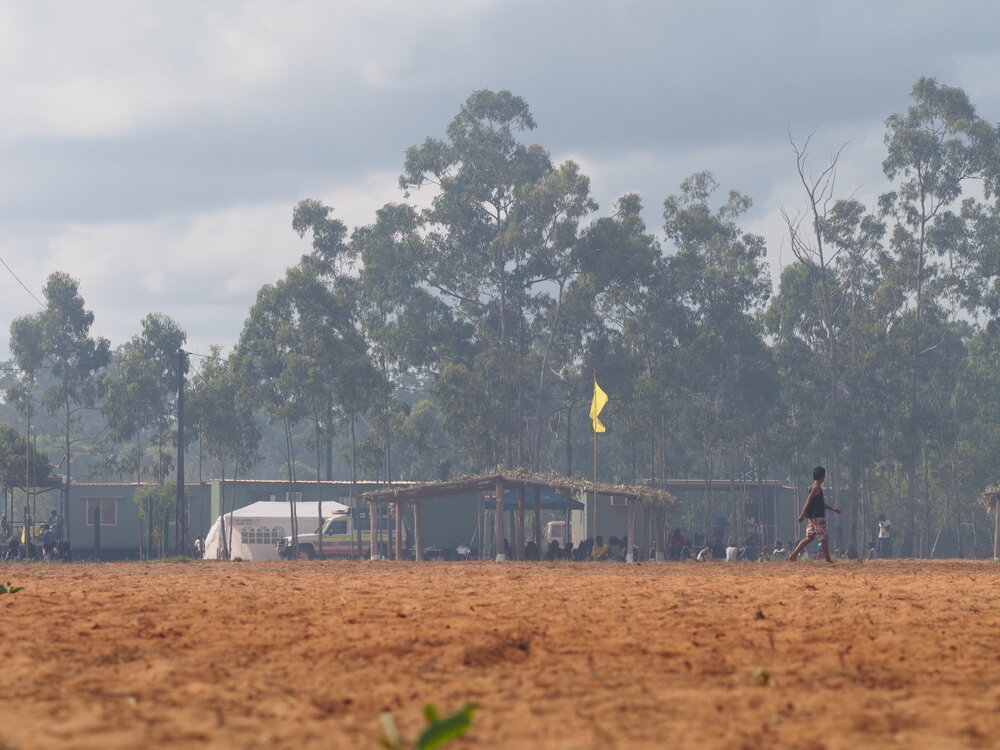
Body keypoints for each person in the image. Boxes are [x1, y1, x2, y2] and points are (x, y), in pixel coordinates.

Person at [789, 466, 841, 563]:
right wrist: (801, 515)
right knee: (824, 538)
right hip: (818, 517)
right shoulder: (816, 487)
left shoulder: (814, 487)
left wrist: (833, 509)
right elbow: (808, 501)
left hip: (812, 517)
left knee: (810, 537)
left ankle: (793, 555)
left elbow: (820, 504)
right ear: (822, 477)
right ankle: (828, 560)